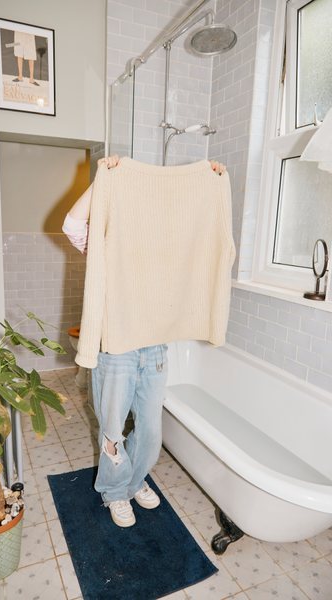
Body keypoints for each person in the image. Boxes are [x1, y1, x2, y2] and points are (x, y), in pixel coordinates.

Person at [63, 155, 226, 527]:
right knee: (112, 430)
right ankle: (114, 493)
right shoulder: (107, 237)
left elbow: (195, 230)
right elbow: (71, 224)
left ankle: (134, 481)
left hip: (154, 347)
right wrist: (102, 181)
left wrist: (210, 182)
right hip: (115, 347)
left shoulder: (165, 246)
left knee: (152, 433)